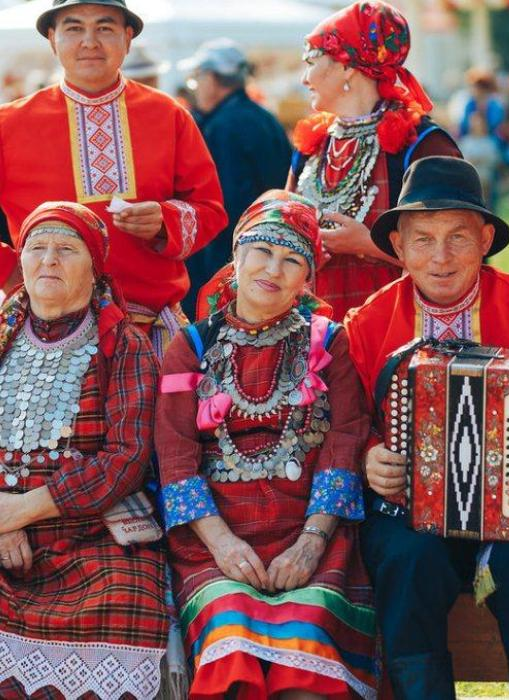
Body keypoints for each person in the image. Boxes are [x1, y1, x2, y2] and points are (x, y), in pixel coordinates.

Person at [345, 156, 509, 700]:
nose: (441, 257)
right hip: (407, 515)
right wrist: (366, 456)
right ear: (399, 249)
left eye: (458, 237)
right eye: (422, 240)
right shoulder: (366, 325)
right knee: (408, 563)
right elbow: (345, 424)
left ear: (487, 238)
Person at [155, 190, 376, 699]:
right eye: (262, 251)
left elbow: (346, 439)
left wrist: (311, 542)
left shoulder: (328, 342)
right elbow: (176, 455)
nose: (273, 270)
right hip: (215, 538)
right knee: (231, 642)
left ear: (308, 279)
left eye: (292, 259)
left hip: (310, 532)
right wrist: (222, 543)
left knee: (307, 669)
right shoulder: (189, 347)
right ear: (236, 256)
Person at [0, 202, 167, 699]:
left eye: (66, 250)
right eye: (37, 247)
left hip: (90, 532)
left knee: (123, 599)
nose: (48, 260)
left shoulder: (125, 346)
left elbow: (126, 459)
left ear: (95, 269)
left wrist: (21, 513)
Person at [0, 0, 227, 355]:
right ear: (51, 39)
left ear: (128, 38)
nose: (89, 41)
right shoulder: (8, 124)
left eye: (104, 28)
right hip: (41, 330)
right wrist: (11, 274)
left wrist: (165, 222)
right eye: (74, 28)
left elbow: (211, 210)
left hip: (149, 328)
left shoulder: (169, 115)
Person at [285, 0, 461, 322]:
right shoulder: (313, 144)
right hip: (316, 331)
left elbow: (461, 253)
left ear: (346, 65)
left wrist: (367, 243)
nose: (304, 78)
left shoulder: (421, 145)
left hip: (399, 326)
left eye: (311, 61)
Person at [179, 38, 292, 318]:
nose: (195, 88)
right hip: (274, 246)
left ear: (213, 78)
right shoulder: (262, 116)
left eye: (197, 79)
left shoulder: (223, 126)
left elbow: (222, 205)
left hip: (231, 256)